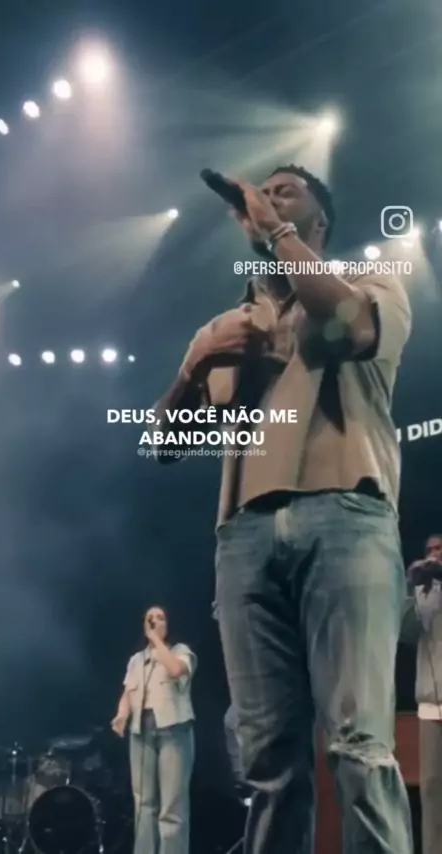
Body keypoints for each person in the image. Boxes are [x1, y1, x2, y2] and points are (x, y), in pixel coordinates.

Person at [154, 165, 413, 853]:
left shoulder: (369, 283)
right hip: (244, 536)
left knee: (359, 747)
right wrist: (194, 366)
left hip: (347, 518)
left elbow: (351, 330)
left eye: (285, 192)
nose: (266, 197)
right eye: (262, 193)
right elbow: (163, 445)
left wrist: (276, 235)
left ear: (318, 222)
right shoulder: (225, 328)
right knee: (267, 764)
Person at [111, 606, 196, 854]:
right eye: (150, 618)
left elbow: (176, 670)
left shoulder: (181, 651)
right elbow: (128, 692)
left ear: (168, 624)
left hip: (174, 731)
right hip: (141, 732)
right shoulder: (136, 660)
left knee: (172, 807)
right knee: (144, 804)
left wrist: (157, 641)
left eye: (160, 618)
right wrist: (121, 716)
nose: (155, 621)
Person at [401, 534, 442, 854]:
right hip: (431, 706)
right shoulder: (422, 593)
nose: (434, 556)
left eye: (440, 550)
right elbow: (404, 632)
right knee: (432, 792)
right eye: (430, 550)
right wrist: (408, 586)